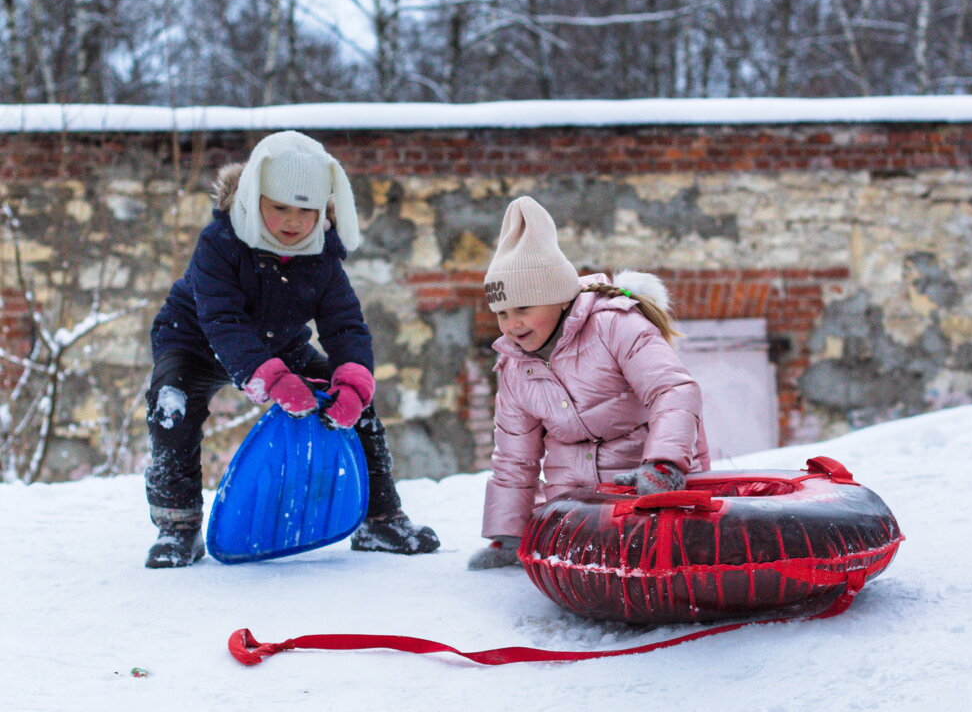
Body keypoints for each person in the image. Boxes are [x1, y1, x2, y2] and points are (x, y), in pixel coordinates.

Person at [143, 130, 439, 568]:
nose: (293, 220)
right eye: (280, 206)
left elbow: (344, 324)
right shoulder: (220, 243)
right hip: (194, 339)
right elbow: (222, 320)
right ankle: (178, 528)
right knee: (173, 407)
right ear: (253, 197)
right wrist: (271, 378)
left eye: (306, 209)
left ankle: (380, 519)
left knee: (356, 405)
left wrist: (353, 379)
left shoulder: (320, 256)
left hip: (280, 347)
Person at [467, 196, 710, 570]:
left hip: (653, 495)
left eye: (523, 308)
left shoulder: (615, 325)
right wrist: (510, 535)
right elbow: (515, 458)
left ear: (559, 299)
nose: (512, 324)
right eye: (501, 313)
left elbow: (674, 390)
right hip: (578, 511)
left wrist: (663, 465)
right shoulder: (515, 367)